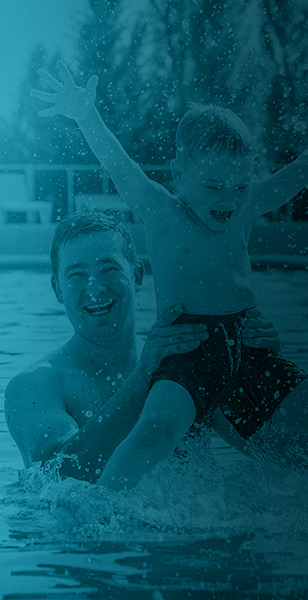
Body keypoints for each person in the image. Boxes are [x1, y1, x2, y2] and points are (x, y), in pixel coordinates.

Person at [30, 63, 308, 491]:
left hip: (248, 342)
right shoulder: (163, 211)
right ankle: (98, 506)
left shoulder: (244, 205)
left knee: (295, 438)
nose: (228, 200)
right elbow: (120, 166)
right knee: (156, 430)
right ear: (179, 175)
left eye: (239, 186)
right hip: (189, 344)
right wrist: (87, 116)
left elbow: (292, 178)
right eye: (214, 186)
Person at [4, 211, 279, 484]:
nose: (95, 288)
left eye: (108, 269)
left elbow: (276, 455)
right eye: (76, 275)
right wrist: (143, 376)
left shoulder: (182, 363)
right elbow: (58, 476)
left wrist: (254, 367)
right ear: (57, 289)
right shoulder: (35, 386)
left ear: (136, 275)